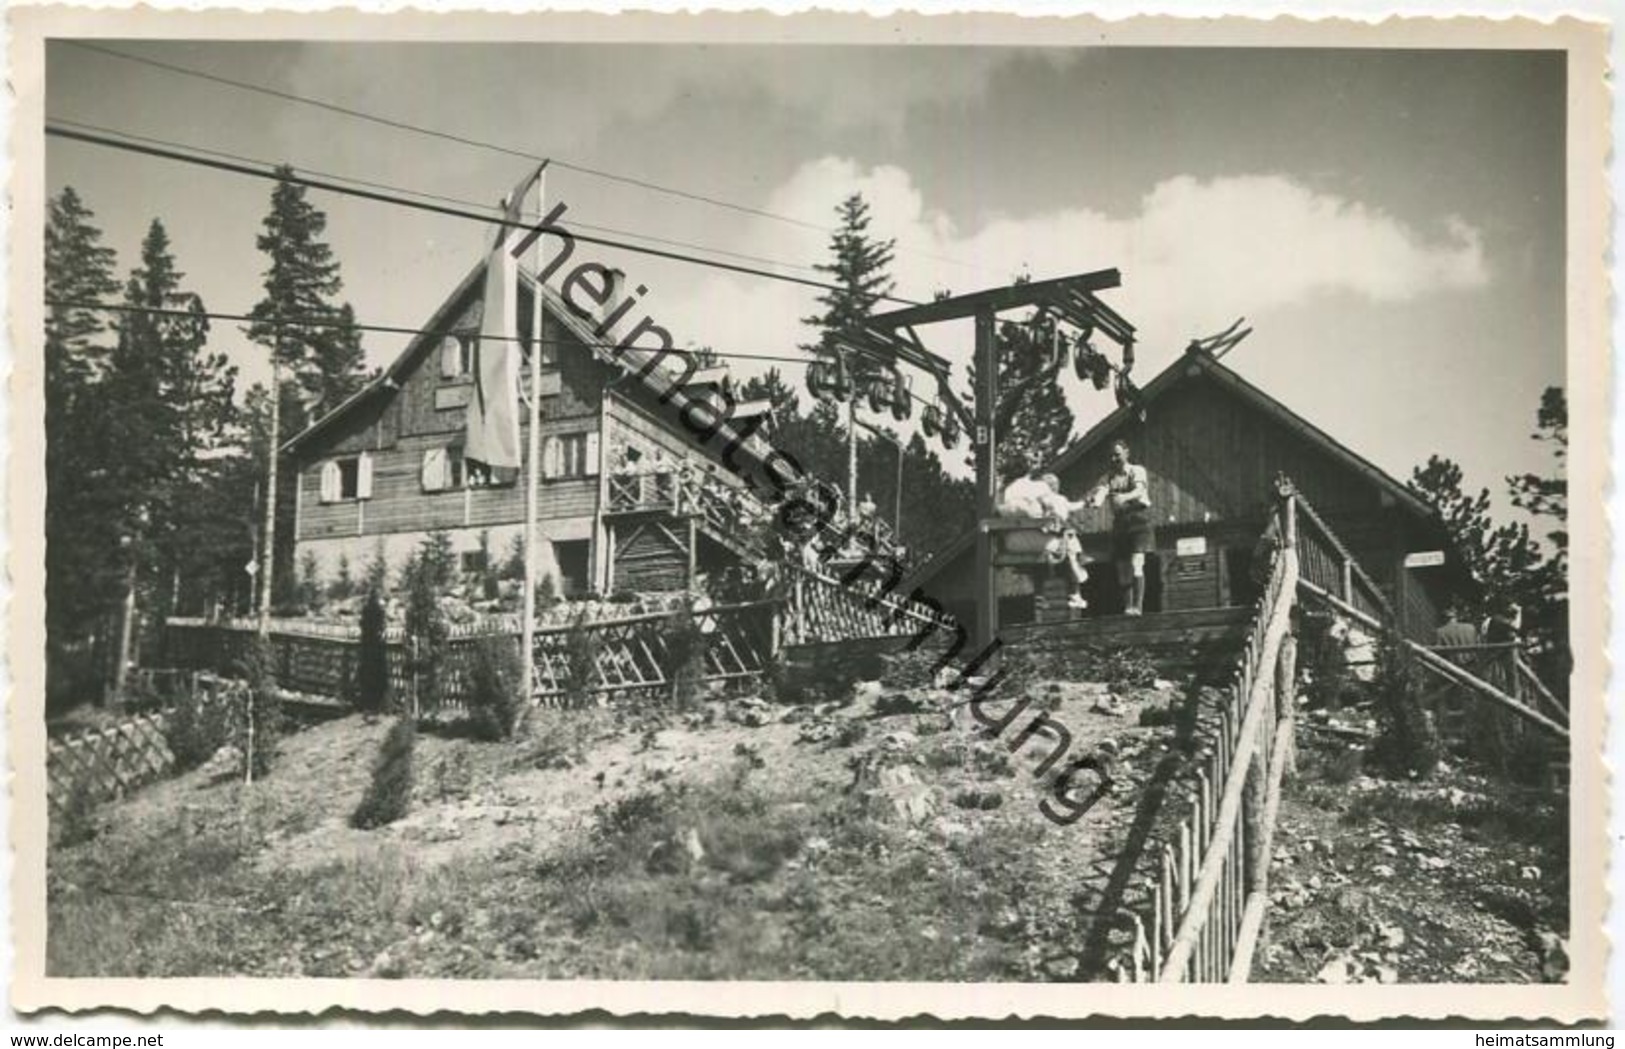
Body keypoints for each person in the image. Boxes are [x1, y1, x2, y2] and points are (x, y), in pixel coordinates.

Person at [1086, 439, 1155, 615]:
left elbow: (1140, 490)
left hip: (1138, 519)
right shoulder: (1108, 477)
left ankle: (1138, 607)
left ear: (1126, 453)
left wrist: (1124, 498)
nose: (1114, 458)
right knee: (1122, 568)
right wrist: (1094, 501)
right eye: (1111, 455)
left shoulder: (1136, 470)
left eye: (1117, 454)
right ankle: (1128, 607)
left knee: (1137, 563)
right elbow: (1100, 494)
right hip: (1121, 522)